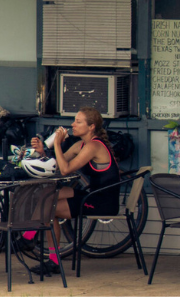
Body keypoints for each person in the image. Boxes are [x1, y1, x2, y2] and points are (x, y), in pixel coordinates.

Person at [27, 107, 121, 276]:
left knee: (50, 209)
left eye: (78, 122)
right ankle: (28, 237)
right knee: (48, 194)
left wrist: (57, 142)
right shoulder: (81, 145)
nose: (73, 124)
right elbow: (56, 164)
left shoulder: (93, 146)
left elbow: (65, 170)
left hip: (103, 203)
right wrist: (43, 151)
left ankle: (47, 257)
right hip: (92, 194)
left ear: (91, 127)